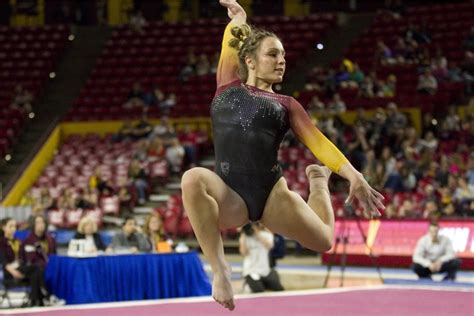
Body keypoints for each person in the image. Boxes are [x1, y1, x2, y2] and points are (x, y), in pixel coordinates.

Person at [181, 0, 384, 311]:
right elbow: (230, 42)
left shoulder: (287, 104)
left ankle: (317, 184)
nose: (281, 61)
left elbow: (318, 142)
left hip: (272, 195)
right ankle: (221, 270)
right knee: (193, 178)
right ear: (248, 59)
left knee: (323, 241)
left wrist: (352, 174)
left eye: (284, 55)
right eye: (273, 54)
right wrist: (239, 20)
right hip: (231, 194)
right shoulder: (226, 85)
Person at [0, 218, 46, 306]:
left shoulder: (19, 241)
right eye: (10, 226)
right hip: (10, 273)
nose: (13, 228)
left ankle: (35, 301)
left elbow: (24, 259)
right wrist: (14, 272)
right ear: (3, 227)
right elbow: (3, 262)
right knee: (36, 268)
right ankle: (43, 294)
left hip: (22, 269)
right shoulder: (1, 242)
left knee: (35, 274)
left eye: (15, 226)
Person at [239, 222, 284, 293]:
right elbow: (243, 252)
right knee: (259, 290)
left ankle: (262, 283)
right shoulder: (245, 237)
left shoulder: (266, 235)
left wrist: (257, 234)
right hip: (251, 271)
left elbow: (269, 246)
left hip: (265, 270)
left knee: (278, 288)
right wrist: (243, 234)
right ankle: (249, 283)